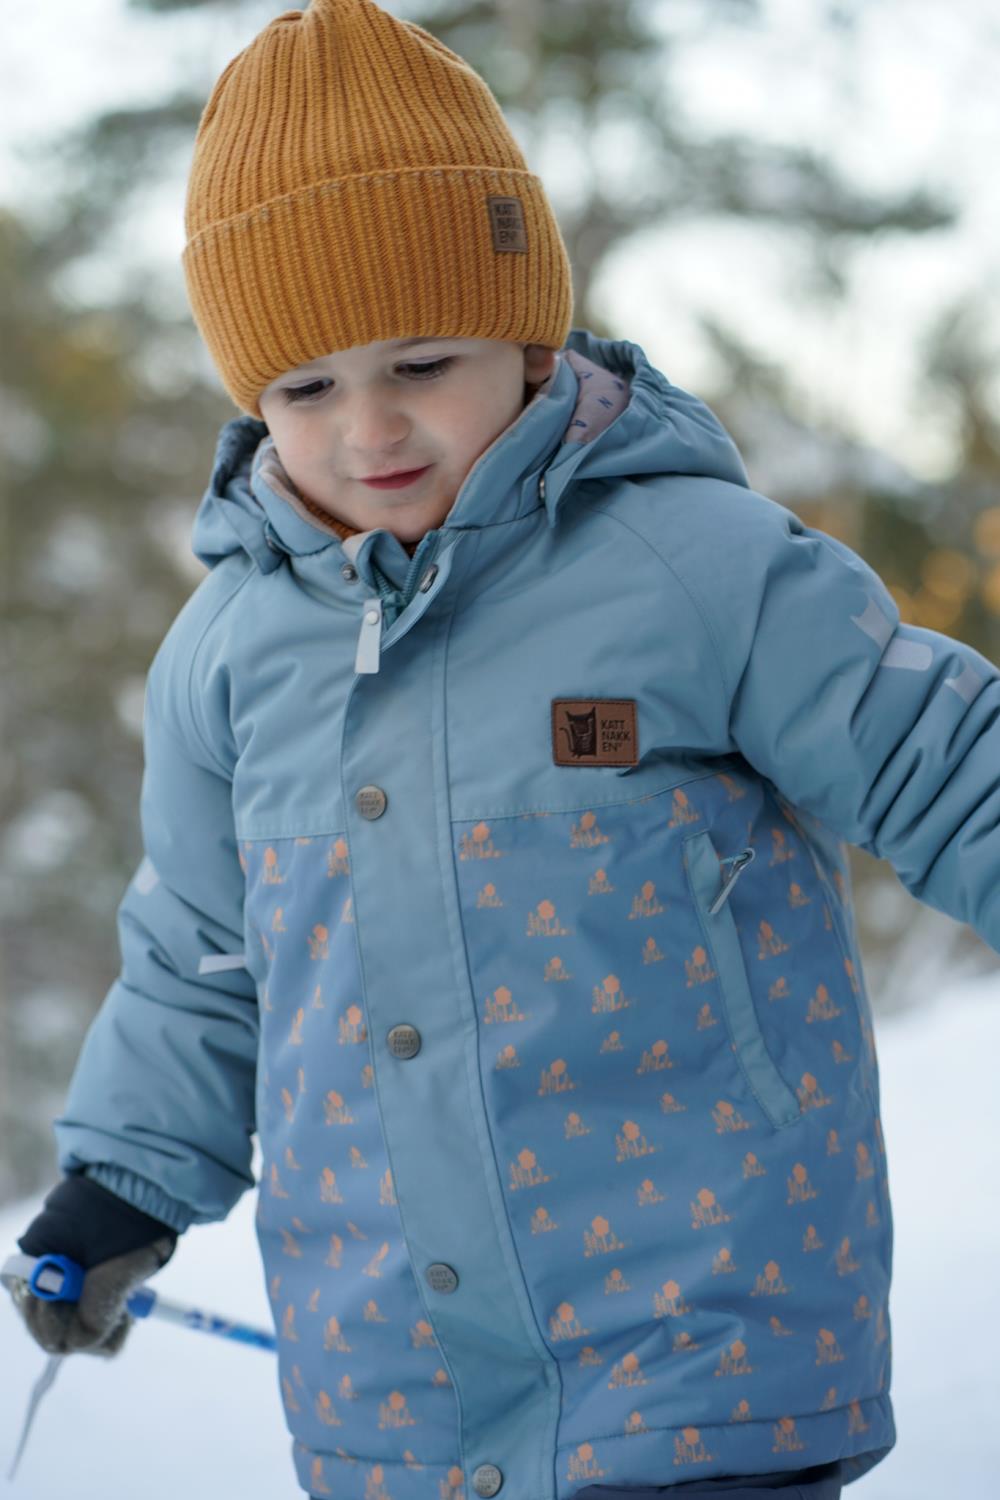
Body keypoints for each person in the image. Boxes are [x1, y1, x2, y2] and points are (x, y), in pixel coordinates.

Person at [4, 2, 998, 1498]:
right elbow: (207, 959)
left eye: (422, 360)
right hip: (399, 1397)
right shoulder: (225, 658)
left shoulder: (688, 563)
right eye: (306, 387)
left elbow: (942, 756)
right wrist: (123, 1182)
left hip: (705, 1344)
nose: (370, 430)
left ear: (526, 333)